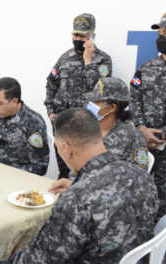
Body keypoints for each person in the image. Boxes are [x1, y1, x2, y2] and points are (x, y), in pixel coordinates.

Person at [0, 108, 159, 264]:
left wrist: (17, 251)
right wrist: (79, 185)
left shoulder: (76, 200)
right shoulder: (140, 173)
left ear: (66, 148)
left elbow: (36, 260)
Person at [130, 11, 166, 220]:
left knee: (161, 206)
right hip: (142, 145)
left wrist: (161, 135)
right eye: (159, 33)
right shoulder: (146, 68)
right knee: (132, 198)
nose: (161, 37)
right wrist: (141, 128)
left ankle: (153, 251)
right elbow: (133, 98)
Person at [44, 13, 112, 179]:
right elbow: (51, 83)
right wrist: (50, 112)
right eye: (75, 34)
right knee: (64, 172)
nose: (78, 38)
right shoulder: (65, 57)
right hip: (61, 123)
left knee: (83, 173)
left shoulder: (103, 60)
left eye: (83, 35)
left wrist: (88, 61)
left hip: (85, 128)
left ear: (92, 35)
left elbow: (100, 92)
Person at [85, 77, 148, 169]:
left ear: (112, 107)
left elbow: (139, 178)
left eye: (97, 102)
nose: (90, 104)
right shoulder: (86, 129)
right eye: (91, 100)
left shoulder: (133, 137)